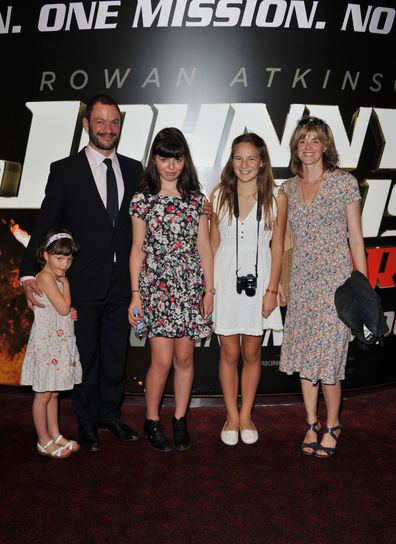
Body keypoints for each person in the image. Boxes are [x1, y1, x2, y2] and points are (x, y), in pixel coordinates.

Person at [20, 94, 143, 451]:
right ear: (86, 125)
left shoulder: (135, 169)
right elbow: (46, 224)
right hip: (80, 285)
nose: (108, 129)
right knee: (84, 355)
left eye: (114, 122)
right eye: (100, 122)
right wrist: (29, 272)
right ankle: (86, 422)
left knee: (115, 354)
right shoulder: (65, 170)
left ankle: (110, 414)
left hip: (122, 284)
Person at [278, 116, 367, 458]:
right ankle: (311, 422)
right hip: (301, 284)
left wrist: (364, 286)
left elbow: (356, 238)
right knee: (304, 359)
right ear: (295, 148)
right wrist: (283, 285)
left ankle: (333, 423)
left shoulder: (344, 183)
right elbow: (285, 241)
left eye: (316, 140)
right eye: (303, 141)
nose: (309, 147)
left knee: (328, 361)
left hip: (337, 285)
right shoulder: (286, 189)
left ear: (326, 145)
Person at [128, 127, 214, 452]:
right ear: (155, 159)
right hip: (157, 287)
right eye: (164, 157)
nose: (171, 165)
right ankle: (151, 420)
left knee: (185, 357)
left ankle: (180, 420)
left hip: (190, 286)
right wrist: (135, 293)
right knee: (161, 360)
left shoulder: (196, 201)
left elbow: (204, 247)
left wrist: (210, 289)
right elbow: (137, 249)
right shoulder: (142, 201)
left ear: (184, 160)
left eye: (176, 157)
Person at [210, 133, 286, 446]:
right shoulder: (216, 196)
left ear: (262, 161)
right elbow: (213, 244)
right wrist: (210, 289)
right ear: (231, 161)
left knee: (252, 353)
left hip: (261, 281)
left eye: (251, 158)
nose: (244, 165)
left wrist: (272, 289)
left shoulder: (277, 195)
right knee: (229, 352)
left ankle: (246, 415)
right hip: (225, 280)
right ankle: (231, 415)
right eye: (238, 158)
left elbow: (278, 246)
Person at [20, 228, 82, 458]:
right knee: (43, 394)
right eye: (59, 258)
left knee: (54, 392)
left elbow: (64, 310)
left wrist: (69, 310)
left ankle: (55, 435)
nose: (65, 264)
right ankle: (43, 439)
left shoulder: (54, 277)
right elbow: (63, 307)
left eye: (68, 259)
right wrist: (66, 285)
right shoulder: (46, 278)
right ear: (45, 255)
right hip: (47, 344)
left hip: (57, 340)